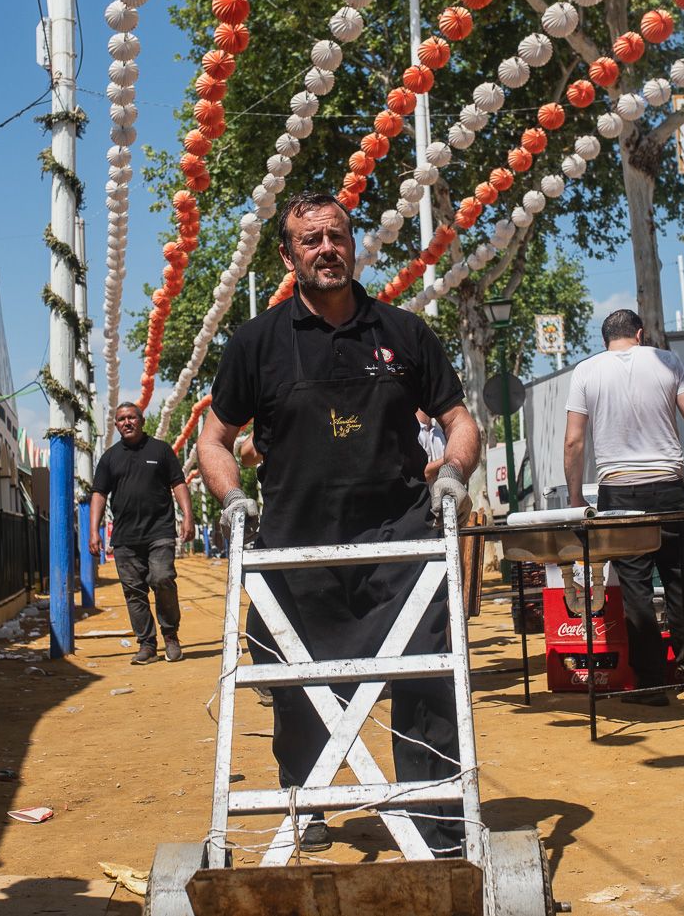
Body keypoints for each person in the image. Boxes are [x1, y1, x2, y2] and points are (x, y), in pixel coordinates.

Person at [197, 191, 479, 854]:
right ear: (288, 253)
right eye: (311, 239)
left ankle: (439, 828)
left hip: (400, 551)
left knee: (428, 684)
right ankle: (308, 799)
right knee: (297, 692)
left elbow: (458, 420)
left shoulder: (404, 333)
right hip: (297, 555)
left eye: (337, 235)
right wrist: (232, 499)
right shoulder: (256, 343)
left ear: (354, 243)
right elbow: (215, 438)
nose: (327, 248)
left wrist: (452, 474)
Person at [563, 308, 684, 704]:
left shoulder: (586, 372)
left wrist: (576, 496)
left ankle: (650, 683)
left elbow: (574, 442)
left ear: (605, 339)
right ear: (640, 334)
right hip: (668, 487)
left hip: (619, 493)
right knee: (681, 581)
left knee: (636, 589)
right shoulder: (669, 361)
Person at [89, 402, 194, 665]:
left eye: (131, 418)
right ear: (116, 425)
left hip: (159, 531)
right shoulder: (110, 458)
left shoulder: (160, 450)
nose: (127, 422)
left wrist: (188, 517)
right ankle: (147, 645)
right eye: (121, 419)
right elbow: (99, 494)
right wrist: (94, 531)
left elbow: (178, 483)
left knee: (162, 578)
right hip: (125, 538)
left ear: (141, 420)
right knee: (134, 592)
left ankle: (170, 636)